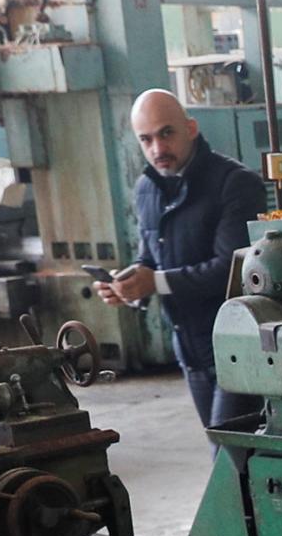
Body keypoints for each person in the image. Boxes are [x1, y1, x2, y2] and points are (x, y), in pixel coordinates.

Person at [95, 89, 270, 428]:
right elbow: (151, 258)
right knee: (226, 457)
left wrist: (156, 282)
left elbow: (232, 271)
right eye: (146, 140)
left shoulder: (234, 184)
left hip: (240, 346)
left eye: (166, 133)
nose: (157, 149)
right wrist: (128, 285)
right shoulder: (147, 190)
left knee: (230, 457)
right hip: (192, 353)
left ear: (191, 128)